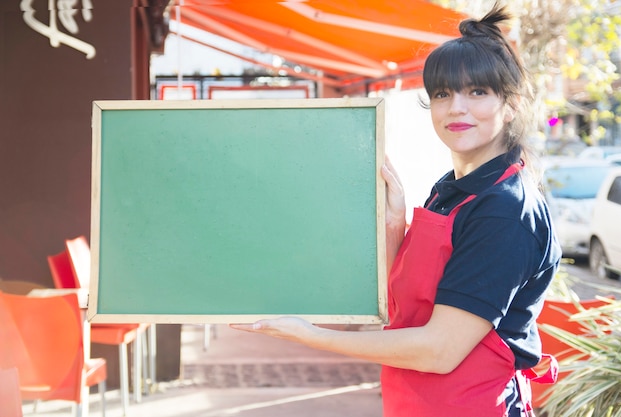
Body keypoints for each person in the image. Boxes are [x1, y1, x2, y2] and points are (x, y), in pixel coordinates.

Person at [231, 3, 562, 416]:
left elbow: (439, 350)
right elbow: (410, 303)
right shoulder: (453, 190)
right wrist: (394, 226)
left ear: (510, 105)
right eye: (443, 94)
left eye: (477, 92)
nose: (456, 107)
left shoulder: (505, 210)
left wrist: (310, 335)